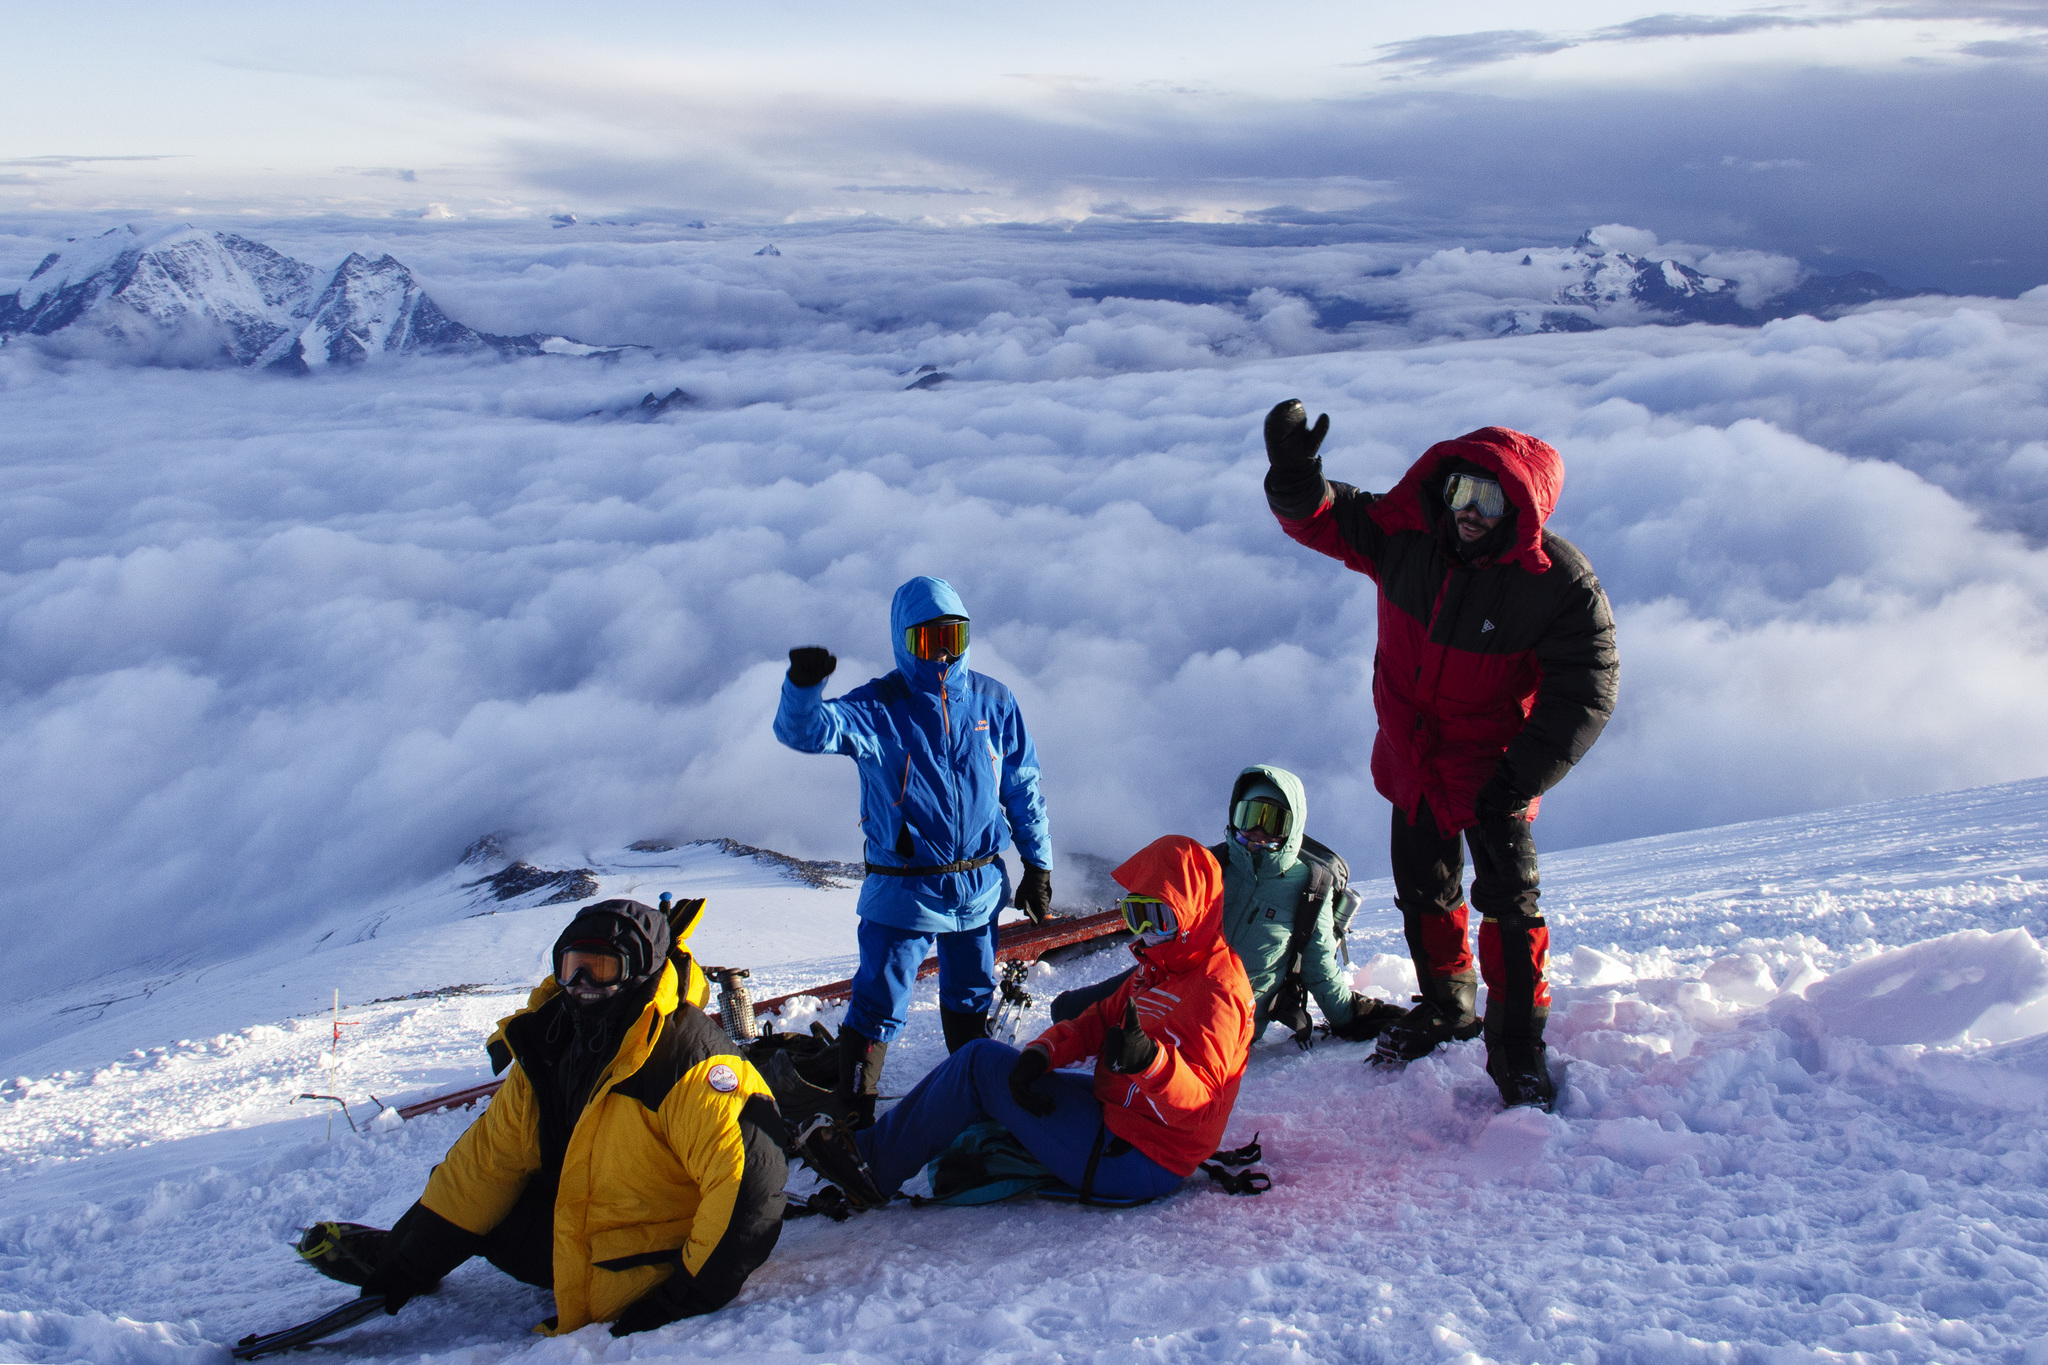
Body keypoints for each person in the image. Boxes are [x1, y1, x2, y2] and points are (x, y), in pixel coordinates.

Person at [1261, 401, 1619, 1110]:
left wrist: (1519, 775)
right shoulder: (1408, 537)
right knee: (1425, 892)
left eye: (1491, 497)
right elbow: (1326, 518)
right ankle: (1449, 1005)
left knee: (1510, 911)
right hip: (1412, 764)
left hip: (1493, 774)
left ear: (1522, 506)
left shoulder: (1554, 584)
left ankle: (1518, 1052)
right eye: (1460, 491)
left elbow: (1588, 686)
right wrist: (1294, 474)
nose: (1470, 511)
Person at [296, 901, 789, 1336]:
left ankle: (407, 1255)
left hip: (648, 1263)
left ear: (638, 973)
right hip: (592, 1230)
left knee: (491, 1206)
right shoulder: (552, 1046)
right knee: (473, 1195)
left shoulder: (688, 1060)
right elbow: (486, 1167)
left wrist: (680, 1299)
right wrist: (406, 1268)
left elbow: (750, 1187)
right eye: (573, 969)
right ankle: (401, 1260)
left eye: (601, 970)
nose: (582, 986)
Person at [787, 835, 1253, 1209]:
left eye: (1159, 919)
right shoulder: (1161, 966)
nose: (1146, 934)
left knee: (978, 1066)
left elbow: (1202, 1106)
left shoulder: (1218, 991)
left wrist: (1150, 1063)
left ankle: (871, 1166)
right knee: (993, 1067)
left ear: (1196, 913)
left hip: (1142, 1155)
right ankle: (873, 1150)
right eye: (1136, 916)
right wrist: (1041, 1054)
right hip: (1119, 1118)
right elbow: (1095, 1023)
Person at [774, 575, 1054, 1125]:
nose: (945, 652)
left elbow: (1022, 786)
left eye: (954, 635)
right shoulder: (881, 707)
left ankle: (972, 1097)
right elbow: (807, 733)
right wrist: (802, 690)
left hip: (977, 882)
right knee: (878, 1000)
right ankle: (853, 1116)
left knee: (971, 993)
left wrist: (1038, 862)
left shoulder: (994, 700)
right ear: (904, 642)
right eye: (929, 641)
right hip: (904, 886)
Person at [1050, 765, 1404, 1047]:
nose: (1258, 832)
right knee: (1066, 1011)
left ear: (1292, 828)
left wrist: (1352, 1014)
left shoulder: (1310, 889)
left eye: (1273, 820)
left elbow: (1319, 969)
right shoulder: (1215, 865)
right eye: (1250, 816)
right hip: (1173, 983)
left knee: (1115, 1036)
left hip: (1227, 1019)